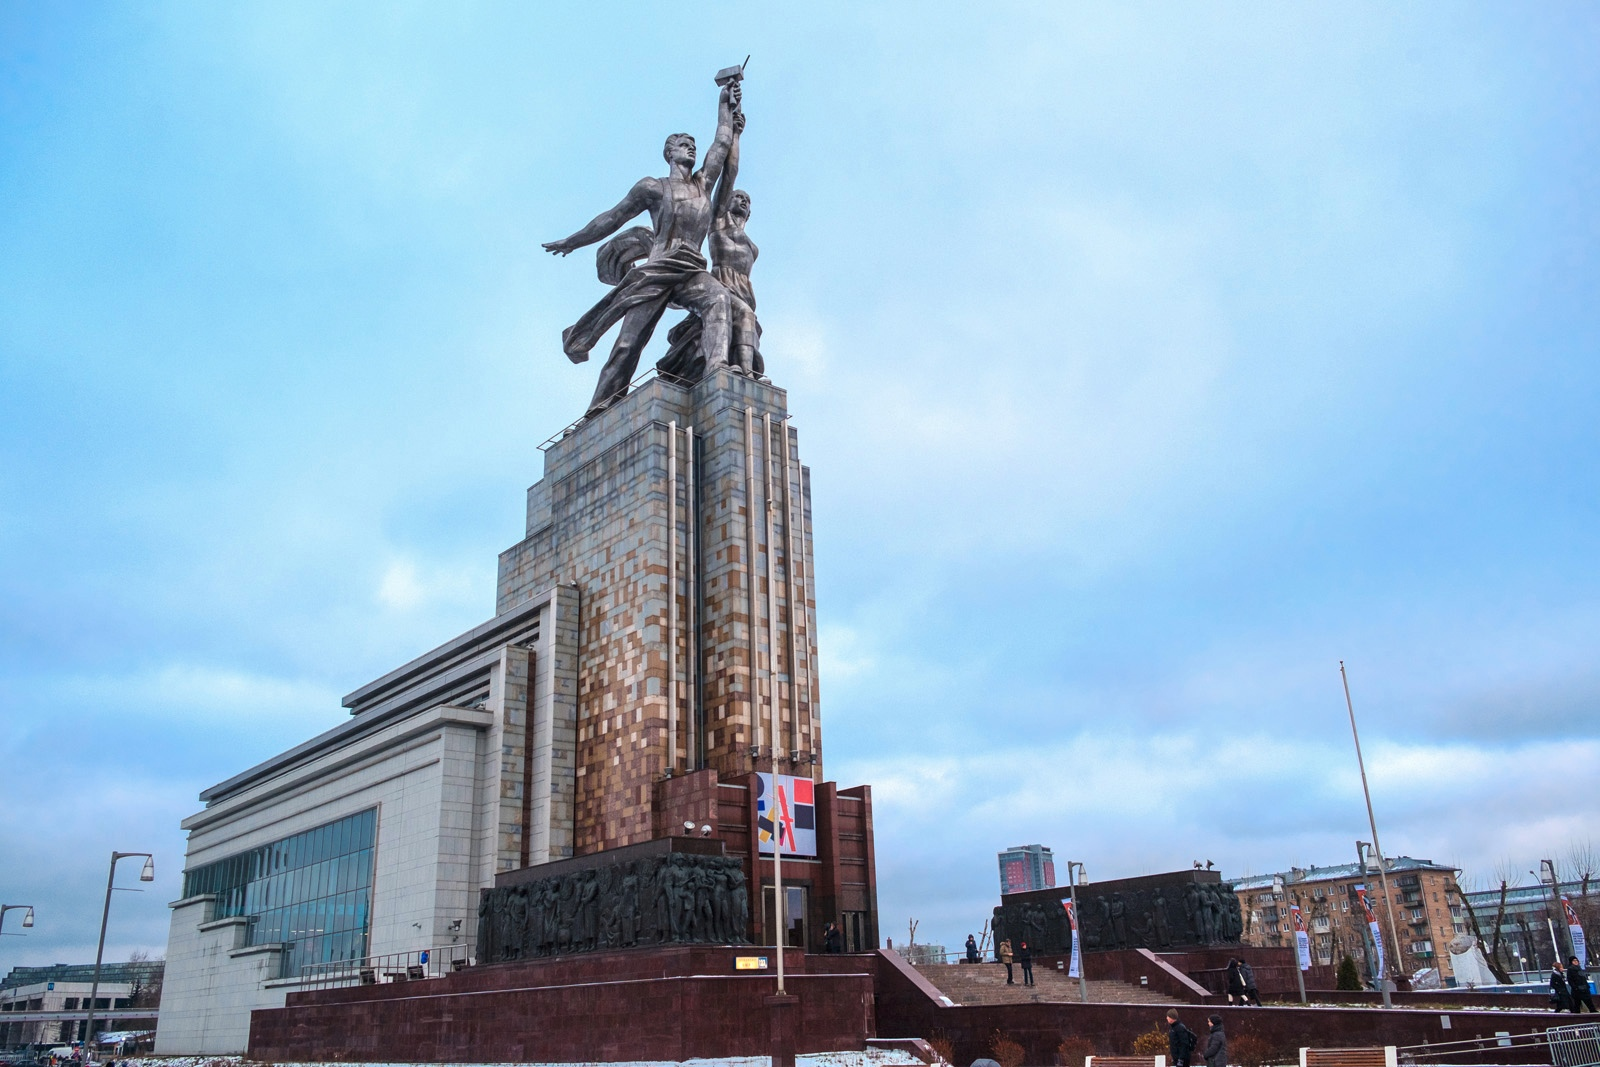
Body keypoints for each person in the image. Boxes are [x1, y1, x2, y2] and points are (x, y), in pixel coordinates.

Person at [543, 78, 752, 416]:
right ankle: (600, 408)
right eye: (683, 144)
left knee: (718, 300)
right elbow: (612, 218)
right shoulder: (653, 188)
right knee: (629, 343)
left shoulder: (703, 184)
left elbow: (722, 142)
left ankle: (717, 369)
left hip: (690, 269)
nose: (691, 148)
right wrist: (573, 241)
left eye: (692, 144)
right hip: (658, 269)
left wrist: (726, 102)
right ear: (669, 152)